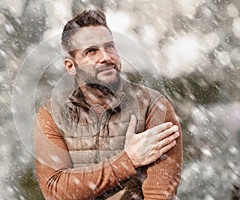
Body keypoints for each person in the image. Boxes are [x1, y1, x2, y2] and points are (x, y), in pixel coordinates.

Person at [34, 9, 182, 200]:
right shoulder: (52, 113)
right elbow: (55, 191)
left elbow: (160, 195)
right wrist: (129, 161)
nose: (106, 57)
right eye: (91, 51)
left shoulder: (153, 106)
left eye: (110, 47)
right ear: (71, 66)